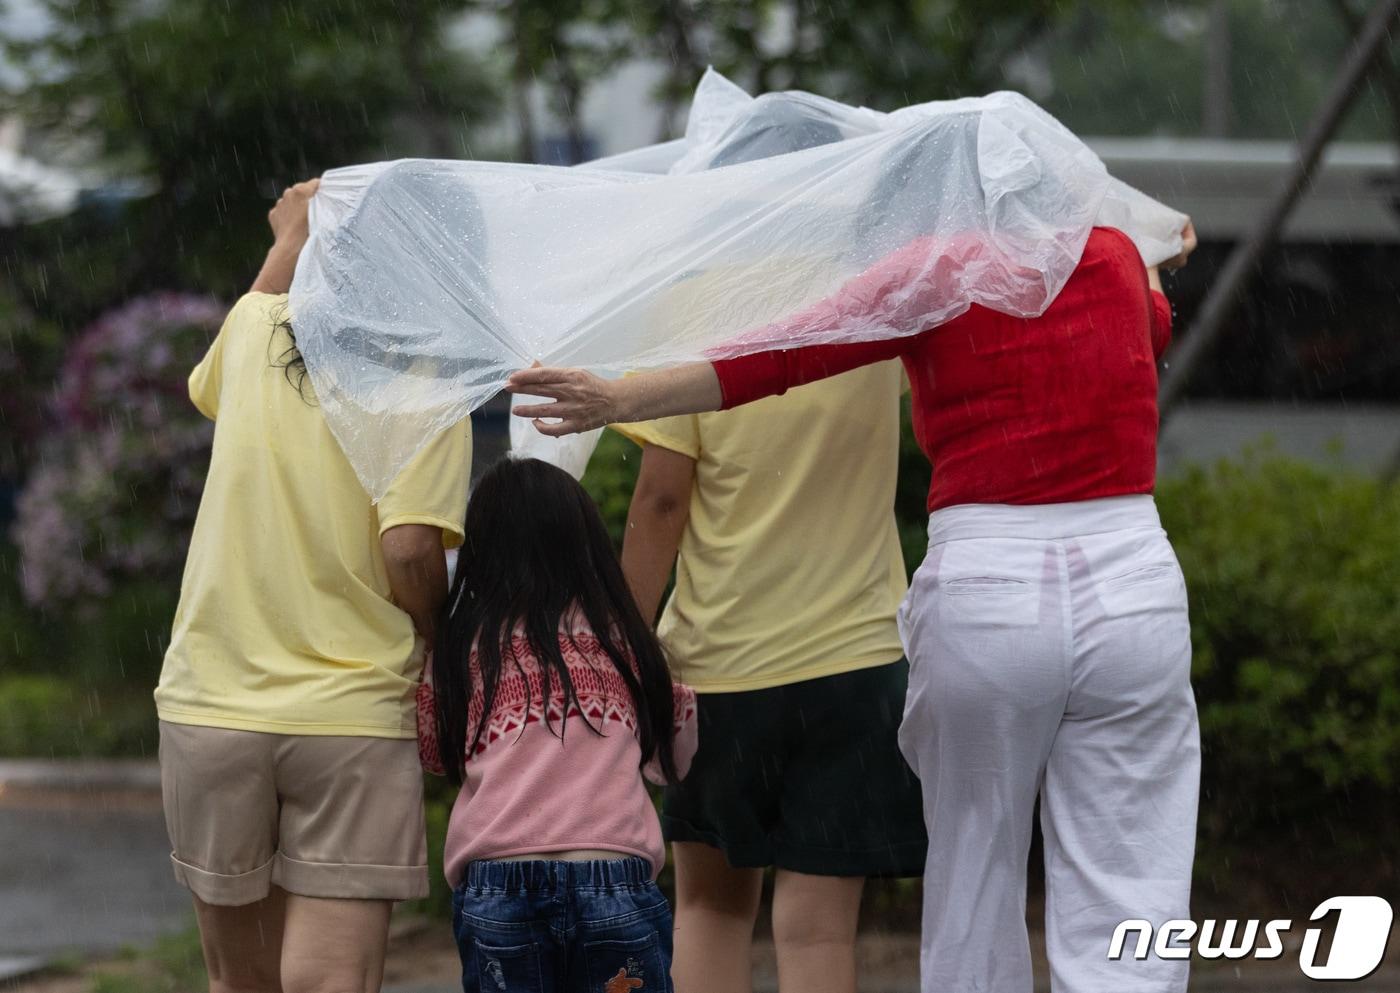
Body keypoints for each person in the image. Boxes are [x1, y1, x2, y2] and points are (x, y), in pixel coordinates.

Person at [508, 220, 1202, 993]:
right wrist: (1148, 255)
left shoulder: (926, 272)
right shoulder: (1108, 252)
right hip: (1097, 587)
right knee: (1128, 867)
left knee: (962, 868)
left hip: (910, 610)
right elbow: (1149, 317)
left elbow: (776, 364)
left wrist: (620, 397)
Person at [610, 93, 926, 993]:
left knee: (710, 908)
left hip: (720, 667)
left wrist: (628, 648)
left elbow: (664, 500)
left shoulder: (692, 310)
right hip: (856, 658)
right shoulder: (879, 312)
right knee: (821, 934)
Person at [154, 180, 473, 993]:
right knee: (329, 979)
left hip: (212, 700)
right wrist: (439, 642)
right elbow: (408, 550)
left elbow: (209, 381)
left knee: (241, 980)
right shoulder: (429, 378)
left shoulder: (259, 331)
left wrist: (294, 236)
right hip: (351, 712)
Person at [417, 456, 699, 993]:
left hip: (499, 881)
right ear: (584, 543)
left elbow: (433, 753)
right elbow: (675, 756)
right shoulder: (622, 643)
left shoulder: (463, 648)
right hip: (614, 877)